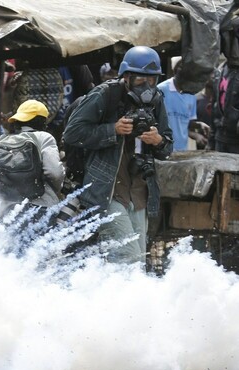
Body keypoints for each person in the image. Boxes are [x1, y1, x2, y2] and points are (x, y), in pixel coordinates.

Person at [63, 45, 173, 264]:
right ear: (127, 77)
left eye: (152, 80)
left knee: (139, 260)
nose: (148, 86)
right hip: (107, 191)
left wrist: (158, 141)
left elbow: (168, 147)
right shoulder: (105, 94)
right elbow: (72, 133)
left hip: (139, 192)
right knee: (127, 257)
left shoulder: (157, 100)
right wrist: (111, 130)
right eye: (142, 79)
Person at [0, 100, 65, 215]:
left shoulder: (3, 140)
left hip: (8, 208)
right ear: (42, 121)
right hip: (40, 206)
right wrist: (57, 189)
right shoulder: (44, 137)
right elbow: (54, 172)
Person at [157, 59, 210, 151]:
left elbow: (186, 123)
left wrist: (199, 126)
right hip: (162, 149)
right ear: (177, 72)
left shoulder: (191, 94)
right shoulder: (161, 90)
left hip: (182, 150)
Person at [211, 59, 239, 153]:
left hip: (238, 137)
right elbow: (215, 105)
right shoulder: (220, 70)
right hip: (220, 135)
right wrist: (211, 140)